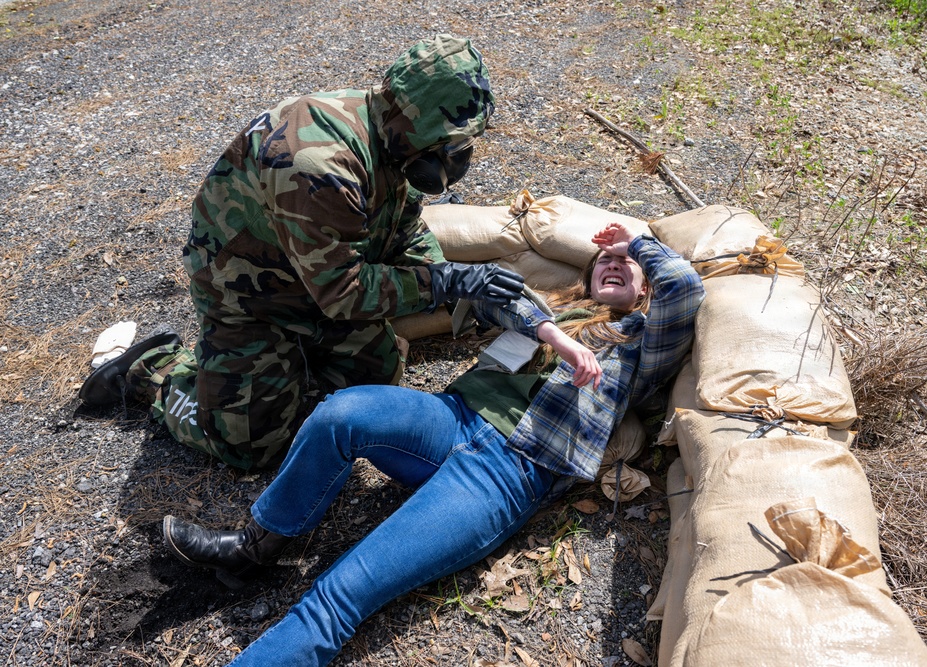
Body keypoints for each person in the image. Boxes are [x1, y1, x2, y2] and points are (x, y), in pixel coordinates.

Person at [161, 221, 705, 666]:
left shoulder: (640, 344)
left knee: (340, 594)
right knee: (340, 414)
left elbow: (684, 287)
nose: (613, 264)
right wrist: (551, 331)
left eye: (626, 268)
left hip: (507, 471)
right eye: (603, 262)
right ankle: (259, 545)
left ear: (644, 290)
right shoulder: (553, 308)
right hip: (450, 418)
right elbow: (494, 296)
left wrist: (634, 244)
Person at [77, 35, 523, 470]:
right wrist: (446, 282)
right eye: (450, 144)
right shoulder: (320, 163)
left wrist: (451, 281)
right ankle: (154, 369)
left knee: (376, 382)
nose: (457, 156)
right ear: (417, 121)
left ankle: (278, 370)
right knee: (252, 447)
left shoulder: (392, 137)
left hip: (315, 281)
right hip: (251, 295)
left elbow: (404, 232)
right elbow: (344, 293)